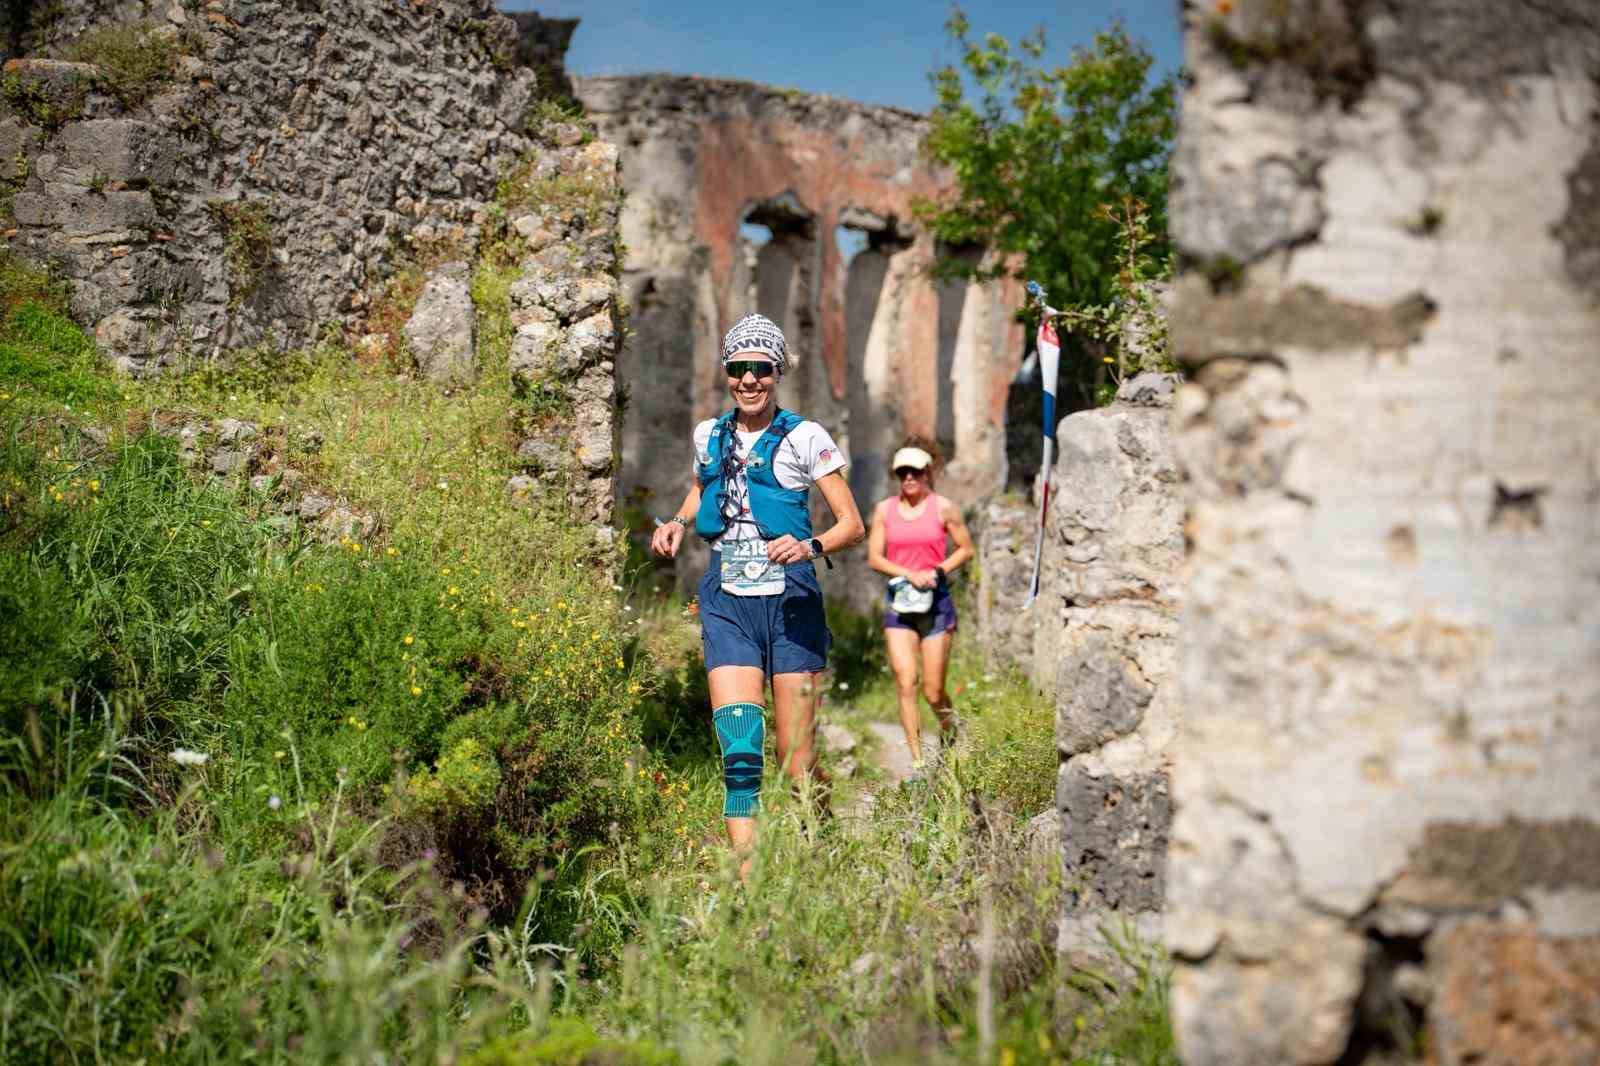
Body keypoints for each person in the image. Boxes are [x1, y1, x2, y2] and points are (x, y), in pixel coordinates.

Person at [650, 313, 865, 873]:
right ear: (727, 372)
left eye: (760, 368)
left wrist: (811, 546)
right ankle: (749, 887)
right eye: (739, 368)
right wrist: (676, 521)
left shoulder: (806, 436)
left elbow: (852, 525)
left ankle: (821, 846)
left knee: (797, 763)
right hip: (726, 598)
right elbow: (701, 487)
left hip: (791, 600)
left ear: (777, 372)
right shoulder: (710, 434)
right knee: (740, 751)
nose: (749, 380)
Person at [866, 441, 974, 768]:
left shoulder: (944, 508)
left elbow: (965, 548)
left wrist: (937, 570)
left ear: (928, 474)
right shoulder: (885, 510)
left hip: (936, 603)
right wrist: (909, 574)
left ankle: (951, 729)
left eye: (915, 472)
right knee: (905, 680)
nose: (909, 478)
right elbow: (874, 557)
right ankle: (917, 763)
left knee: (932, 690)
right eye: (903, 472)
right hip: (900, 604)